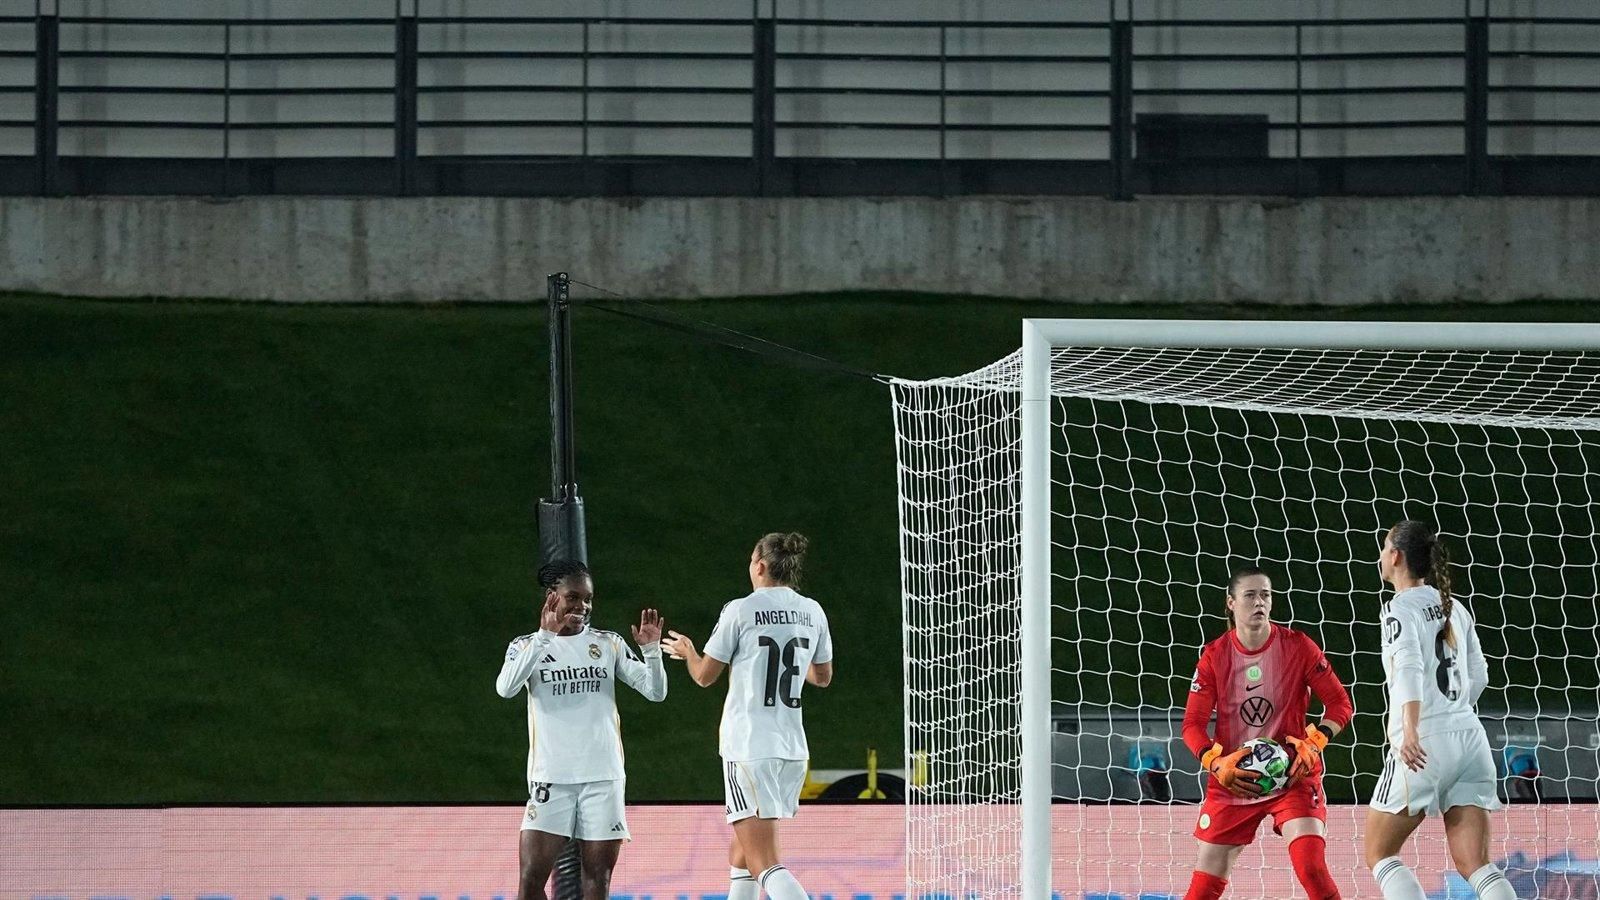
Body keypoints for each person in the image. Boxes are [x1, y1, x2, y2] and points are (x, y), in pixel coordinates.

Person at [660, 533, 833, 900]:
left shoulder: (741, 609)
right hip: (791, 749)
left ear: (759, 566)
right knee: (741, 854)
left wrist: (689, 651)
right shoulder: (813, 610)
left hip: (749, 747)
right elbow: (822, 676)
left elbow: (705, 676)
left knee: (763, 862)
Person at [495, 560, 668, 900]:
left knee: (596, 882)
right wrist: (545, 636)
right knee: (530, 882)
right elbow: (506, 688)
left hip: (602, 778)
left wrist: (651, 652)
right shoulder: (526, 645)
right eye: (573, 597)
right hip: (551, 778)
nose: (582, 606)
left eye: (588, 599)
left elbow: (655, 691)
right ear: (552, 598)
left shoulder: (608, 644)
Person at [1179, 566, 1354, 900]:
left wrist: (1315, 743)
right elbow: (1192, 726)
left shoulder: (1299, 646)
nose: (1259, 602)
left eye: (1266, 595)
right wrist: (1218, 764)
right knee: (1201, 891)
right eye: (1250, 595)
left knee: (1312, 869)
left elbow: (1340, 704)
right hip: (1234, 778)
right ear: (1230, 603)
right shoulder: (1214, 657)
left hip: (1292, 775)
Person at [1364, 521, 1516, 900]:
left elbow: (1411, 668)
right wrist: (1452, 710)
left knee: (1380, 854)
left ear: (1396, 557)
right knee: (1477, 866)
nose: (1381, 556)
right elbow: (1478, 675)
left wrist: (1412, 729)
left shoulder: (1399, 609)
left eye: (1385, 548)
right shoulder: (1454, 607)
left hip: (1423, 744)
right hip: (1470, 740)